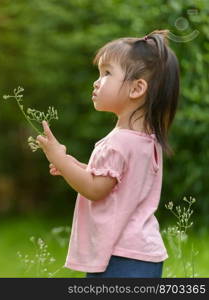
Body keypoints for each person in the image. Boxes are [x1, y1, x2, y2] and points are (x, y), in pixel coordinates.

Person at [36, 30, 180, 278]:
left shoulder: (119, 142)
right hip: (143, 255)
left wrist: (58, 158)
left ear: (136, 88)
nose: (96, 81)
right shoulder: (145, 140)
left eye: (107, 73)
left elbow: (95, 188)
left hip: (120, 258)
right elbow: (116, 184)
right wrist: (73, 165)